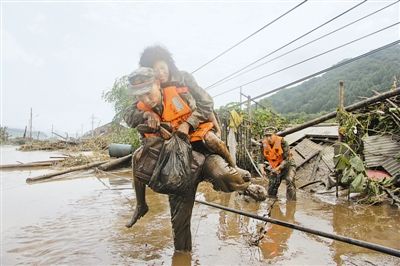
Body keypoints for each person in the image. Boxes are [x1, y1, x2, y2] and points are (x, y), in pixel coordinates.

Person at [124, 67, 267, 251]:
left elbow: (205, 105)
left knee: (225, 175)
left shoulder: (181, 93)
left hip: (202, 153)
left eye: (147, 93)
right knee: (180, 231)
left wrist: (188, 124)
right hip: (175, 169)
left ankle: (245, 184)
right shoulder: (141, 107)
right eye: (139, 95)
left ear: (158, 83)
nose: (145, 99)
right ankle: (142, 207)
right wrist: (146, 114)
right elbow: (128, 117)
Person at [262, 127, 296, 200]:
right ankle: (272, 202)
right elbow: (260, 160)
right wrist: (262, 170)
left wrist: (278, 168)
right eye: (266, 136)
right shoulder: (263, 144)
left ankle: (291, 203)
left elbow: (286, 159)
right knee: (271, 190)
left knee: (289, 180)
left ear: (275, 135)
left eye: (270, 135)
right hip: (275, 166)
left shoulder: (283, 142)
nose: (268, 138)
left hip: (288, 165)